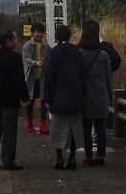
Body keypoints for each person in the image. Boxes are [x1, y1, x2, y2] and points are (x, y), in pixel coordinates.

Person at [0, 29, 30, 170]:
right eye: (15, 38)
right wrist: (25, 98)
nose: (17, 40)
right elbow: (19, 80)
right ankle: (8, 161)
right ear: (8, 41)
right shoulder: (15, 57)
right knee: (9, 131)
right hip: (10, 100)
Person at [43, 25, 85, 170]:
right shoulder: (78, 53)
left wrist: (46, 99)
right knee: (74, 129)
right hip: (76, 98)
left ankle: (59, 159)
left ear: (57, 37)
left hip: (58, 99)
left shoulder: (53, 54)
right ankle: (72, 159)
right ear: (69, 36)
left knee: (58, 129)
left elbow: (49, 79)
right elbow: (83, 76)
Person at [79, 25, 113, 167]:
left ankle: (88, 157)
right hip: (100, 94)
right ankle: (100, 156)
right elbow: (108, 77)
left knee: (86, 128)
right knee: (100, 128)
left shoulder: (79, 54)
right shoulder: (103, 55)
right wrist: (110, 95)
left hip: (85, 94)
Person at [22, 22, 51, 134]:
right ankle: (29, 122)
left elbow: (49, 60)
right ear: (32, 33)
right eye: (37, 32)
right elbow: (26, 58)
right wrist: (35, 63)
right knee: (31, 101)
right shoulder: (27, 45)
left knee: (44, 100)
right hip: (31, 78)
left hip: (43, 77)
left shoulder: (47, 46)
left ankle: (43, 124)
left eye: (41, 32)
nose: (39, 34)